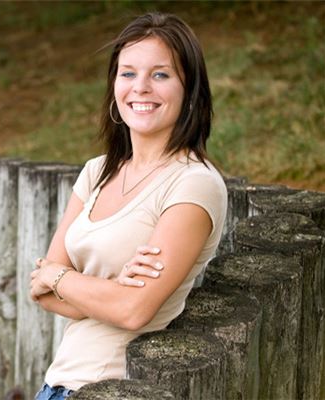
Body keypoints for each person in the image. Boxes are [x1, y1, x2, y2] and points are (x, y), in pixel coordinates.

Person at [29, 12, 228, 400]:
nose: (141, 87)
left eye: (160, 74)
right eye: (128, 73)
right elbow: (41, 293)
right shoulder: (97, 171)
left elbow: (134, 310)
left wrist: (61, 278)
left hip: (116, 390)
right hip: (56, 386)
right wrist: (110, 290)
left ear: (190, 89)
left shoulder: (194, 184)